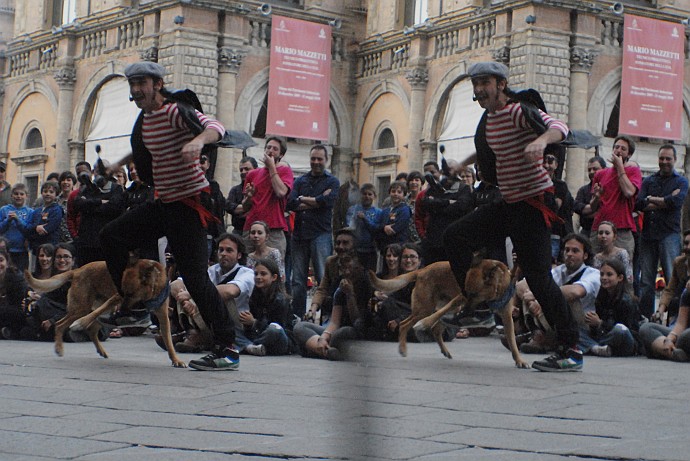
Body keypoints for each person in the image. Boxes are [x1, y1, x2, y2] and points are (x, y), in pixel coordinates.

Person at [99, 61, 241, 371]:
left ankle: (228, 348)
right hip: (163, 203)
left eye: (142, 83)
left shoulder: (176, 111)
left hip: (188, 206)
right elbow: (144, 152)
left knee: (195, 279)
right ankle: (130, 302)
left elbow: (215, 127)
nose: (136, 90)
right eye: (132, 84)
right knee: (110, 235)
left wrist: (197, 140)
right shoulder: (146, 121)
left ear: (158, 84)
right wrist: (115, 165)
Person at [442, 61, 581, 372]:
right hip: (506, 204)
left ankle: (571, 348)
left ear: (501, 84)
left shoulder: (520, 111)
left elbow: (559, 127)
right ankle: (475, 302)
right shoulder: (488, 121)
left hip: (532, 206)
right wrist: (461, 163)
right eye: (475, 84)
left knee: (539, 280)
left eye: (484, 83)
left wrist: (541, 140)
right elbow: (490, 151)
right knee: (454, 235)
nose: (479, 90)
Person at [511, 234, 601, 355]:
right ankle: (538, 335)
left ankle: (543, 339)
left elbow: (576, 291)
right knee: (529, 293)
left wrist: (537, 296)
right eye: (567, 250)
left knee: (567, 298)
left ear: (585, 255)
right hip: (552, 319)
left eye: (575, 251)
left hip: (581, 323)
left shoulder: (593, 274)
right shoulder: (559, 270)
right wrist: (533, 300)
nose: (569, 254)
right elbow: (521, 285)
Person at [169, 233, 255, 354]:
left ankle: (198, 337)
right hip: (209, 320)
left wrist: (191, 295)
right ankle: (194, 334)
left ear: (239, 255)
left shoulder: (247, 273)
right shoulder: (212, 270)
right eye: (221, 250)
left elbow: (231, 291)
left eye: (229, 250)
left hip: (235, 325)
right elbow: (175, 285)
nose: (223, 254)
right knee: (183, 292)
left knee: (222, 297)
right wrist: (186, 299)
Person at [635, 144, 689, 319]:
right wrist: (664, 200)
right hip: (648, 235)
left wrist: (652, 200)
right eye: (661, 158)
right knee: (646, 282)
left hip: (669, 235)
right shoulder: (649, 180)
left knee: (673, 279)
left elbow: (677, 202)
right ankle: (645, 318)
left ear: (675, 160)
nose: (664, 162)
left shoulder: (681, 181)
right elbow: (638, 204)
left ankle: (674, 318)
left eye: (668, 159)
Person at [287, 144, 340, 319]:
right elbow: (291, 203)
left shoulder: (332, 181)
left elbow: (328, 201)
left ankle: (326, 317)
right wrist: (316, 201)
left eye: (319, 159)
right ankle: (297, 317)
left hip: (321, 235)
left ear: (326, 160)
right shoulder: (300, 180)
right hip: (299, 235)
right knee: (298, 281)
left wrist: (304, 200)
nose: (316, 162)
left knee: (324, 278)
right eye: (313, 159)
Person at [292, 253, 369, 360]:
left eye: (350, 268)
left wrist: (350, 295)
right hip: (335, 330)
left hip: (354, 332)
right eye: (344, 269)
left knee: (342, 333)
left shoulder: (366, 286)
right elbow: (334, 322)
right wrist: (323, 337)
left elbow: (357, 321)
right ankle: (326, 351)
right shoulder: (340, 288)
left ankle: (314, 349)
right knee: (300, 327)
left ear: (359, 268)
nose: (347, 272)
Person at [589, 135, 642, 259]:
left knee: (622, 270)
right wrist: (596, 197)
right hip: (599, 228)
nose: (618, 151)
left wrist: (620, 168)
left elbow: (629, 192)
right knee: (595, 269)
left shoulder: (633, 171)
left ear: (629, 155)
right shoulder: (600, 174)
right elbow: (592, 206)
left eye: (623, 149)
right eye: (616, 147)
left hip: (622, 230)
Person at [242, 137, 294, 258]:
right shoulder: (252, 174)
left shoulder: (285, 171)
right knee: (247, 269)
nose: (270, 151)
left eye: (275, 149)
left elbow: (281, 192)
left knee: (274, 269)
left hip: (273, 230)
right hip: (251, 228)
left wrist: (271, 168)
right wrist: (249, 197)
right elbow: (245, 207)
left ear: (281, 154)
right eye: (268, 147)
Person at [579, 258, 640, 357]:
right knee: (577, 330)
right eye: (602, 274)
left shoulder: (627, 301)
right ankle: (597, 348)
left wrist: (600, 323)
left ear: (620, 277)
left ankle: (592, 347)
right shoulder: (601, 298)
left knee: (619, 330)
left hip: (625, 341)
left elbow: (631, 332)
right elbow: (598, 331)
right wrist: (593, 324)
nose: (604, 278)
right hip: (604, 336)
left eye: (609, 274)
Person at [21, 243, 79, 341]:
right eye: (58, 257)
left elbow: (75, 309)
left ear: (73, 261)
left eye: (66, 257)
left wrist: (52, 320)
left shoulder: (78, 280)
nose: (62, 260)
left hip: (72, 317)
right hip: (51, 316)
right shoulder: (54, 279)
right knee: (25, 331)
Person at [72, 163, 126, 265]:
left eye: (103, 170)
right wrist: (100, 202)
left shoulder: (116, 189)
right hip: (86, 243)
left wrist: (89, 205)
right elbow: (78, 204)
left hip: (106, 244)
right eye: (97, 170)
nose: (100, 173)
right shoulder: (86, 189)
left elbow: (113, 208)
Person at [305, 227, 357, 323]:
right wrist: (313, 309)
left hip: (351, 316)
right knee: (300, 328)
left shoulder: (360, 266)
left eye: (345, 243)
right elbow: (322, 289)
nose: (340, 247)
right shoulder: (331, 262)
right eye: (338, 243)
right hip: (331, 313)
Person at [240, 258, 291, 356]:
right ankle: (253, 347)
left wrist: (254, 322)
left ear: (274, 277)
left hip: (279, 340)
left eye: (263, 274)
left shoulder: (281, 300)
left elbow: (279, 327)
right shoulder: (254, 297)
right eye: (256, 274)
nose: (258, 277)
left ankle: (248, 347)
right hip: (258, 335)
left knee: (274, 330)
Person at [639, 290, 690, 362]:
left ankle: (659, 350)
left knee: (685, 336)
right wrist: (669, 339)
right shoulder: (687, 293)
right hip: (682, 337)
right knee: (646, 328)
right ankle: (672, 353)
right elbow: (680, 324)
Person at [654, 230, 690, 326]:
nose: (688, 247)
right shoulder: (679, 263)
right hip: (677, 315)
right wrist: (660, 310)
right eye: (686, 243)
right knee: (646, 329)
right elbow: (670, 289)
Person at [543, 153, 574, 263]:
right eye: (544, 162)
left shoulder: (560, 185)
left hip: (555, 231)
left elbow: (555, 207)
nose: (546, 165)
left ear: (556, 165)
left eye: (550, 162)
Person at [22, 181, 63, 258]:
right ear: (42, 193)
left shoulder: (57, 210)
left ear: (56, 194)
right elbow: (28, 227)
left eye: (51, 192)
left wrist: (34, 230)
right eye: (45, 191)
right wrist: (36, 228)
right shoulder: (36, 211)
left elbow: (48, 229)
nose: (48, 194)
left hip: (50, 247)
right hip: (36, 248)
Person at [349, 183, 383, 272]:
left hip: (371, 250)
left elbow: (377, 229)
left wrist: (365, 219)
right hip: (355, 250)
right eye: (364, 194)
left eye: (370, 194)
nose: (367, 196)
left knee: (370, 275)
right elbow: (349, 227)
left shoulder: (379, 212)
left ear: (374, 196)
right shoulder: (353, 210)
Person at [0, 183, 32, 271]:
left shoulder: (30, 212)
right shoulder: (4, 210)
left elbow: (29, 230)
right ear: (11, 195)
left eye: (22, 194)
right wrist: (8, 220)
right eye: (16, 194)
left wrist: (18, 220)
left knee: (21, 276)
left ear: (26, 196)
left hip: (22, 251)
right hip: (6, 250)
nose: (19, 196)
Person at [376, 181, 412, 257]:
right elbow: (378, 226)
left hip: (399, 247)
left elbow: (394, 229)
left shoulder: (405, 210)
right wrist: (384, 227)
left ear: (404, 194)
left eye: (399, 192)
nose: (396, 194)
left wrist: (383, 228)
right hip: (384, 247)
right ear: (389, 193)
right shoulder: (385, 211)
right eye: (393, 191)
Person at [591, 221, 633, 286]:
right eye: (600, 233)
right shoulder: (597, 257)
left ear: (614, 236)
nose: (603, 236)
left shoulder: (622, 254)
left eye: (607, 233)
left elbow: (629, 278)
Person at [0, 249, 30, 339]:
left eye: (1, 260)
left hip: (15, 315)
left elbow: (20, 308)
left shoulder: (16, 279)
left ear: (7, 262)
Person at [573, 156, 606, 237]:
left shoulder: (611, 188)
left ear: (604, 169)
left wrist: (591, 211)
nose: (591, 172)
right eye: (589, 170)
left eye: (595, 169)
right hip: (587, 231)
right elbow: (577, 208)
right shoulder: (583, 190)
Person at [226, 156, 257, 235]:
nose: (243, 172)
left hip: (257, 231)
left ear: (256, 169)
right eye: (241, 170)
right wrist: (248, 209)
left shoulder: (261, 188)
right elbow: (228, 206)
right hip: (239, 231)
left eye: (247, 169)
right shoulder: (235, 190)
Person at [56, 171, 77, 243]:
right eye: (63, 180)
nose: (65, 182)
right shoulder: (55, 201)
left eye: (68, 180)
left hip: (72, 238)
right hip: (57, 239)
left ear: (73, 183)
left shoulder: (77, 199)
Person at [405, 171, 424, 244]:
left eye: (417, 180)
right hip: (406, 239)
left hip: (421, 239)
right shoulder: (403, 201)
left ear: (421, 183)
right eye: (411, 180)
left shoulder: (425, 199)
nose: (413, 182)